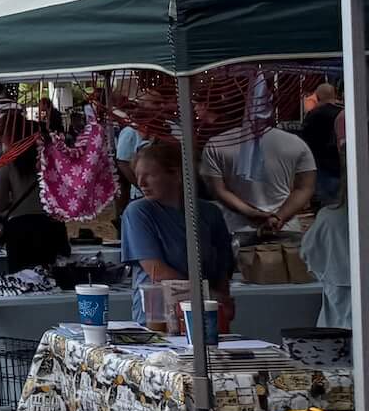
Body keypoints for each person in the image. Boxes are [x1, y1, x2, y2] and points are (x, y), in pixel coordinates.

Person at [122, 140, 236, 332]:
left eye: (149, 175)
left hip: (207, 314)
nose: (141, 183)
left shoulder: (209, 213)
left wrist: (221, 301)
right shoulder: (138, 212)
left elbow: (223, 267)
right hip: (159, 317)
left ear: (175, 174)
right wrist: (208, 296)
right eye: (138, 176)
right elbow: (156, 271)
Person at [202, 119, 317, 282]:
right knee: (293, 292)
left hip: (237, 233)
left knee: (243, 297)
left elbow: (217, 190)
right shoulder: (295, 143)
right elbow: (305, 188)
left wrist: (250, 213)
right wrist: (279, 217)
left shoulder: (216, 144)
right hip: (286, 229)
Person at [301, 81, 344, 208]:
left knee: (328, 204)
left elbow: (306, 142)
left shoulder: (313, 115)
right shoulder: (344, 114)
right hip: (342, 164)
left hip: (322, 166)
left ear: (318, 97)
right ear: (334, 95)